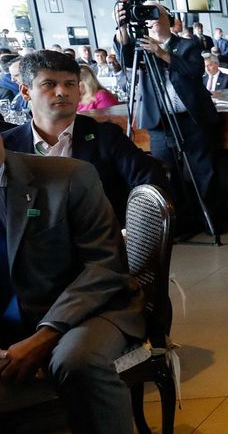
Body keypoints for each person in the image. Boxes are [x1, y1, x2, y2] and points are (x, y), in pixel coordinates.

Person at [0, 137, 145, 434]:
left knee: (76, 360)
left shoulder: (69, 177)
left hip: (86, 307)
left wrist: (47, 334)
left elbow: (105, 266)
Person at [3, 50, 165, 221]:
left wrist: (133, 230)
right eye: (49, 84)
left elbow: (150, 181)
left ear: (79, 90)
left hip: (99, 239)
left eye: (70, 84)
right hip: (30, 242)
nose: (62, 92)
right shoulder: (8, 146)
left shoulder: (106, 136)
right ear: (25, 91)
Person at [115, 2, 223, 234]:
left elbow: (195, 70)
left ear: (170, 20)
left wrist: (162, 53)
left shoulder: (186, 45)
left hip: (192, 119)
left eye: (156, 14)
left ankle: (209, 221)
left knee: (203, 171)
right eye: (147, 16)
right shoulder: (139, 47)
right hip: (159, 122)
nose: (151, 20)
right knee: (165, 174)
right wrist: (122, 28)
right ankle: (178, 224)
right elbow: (124, 61)